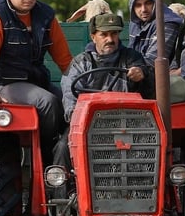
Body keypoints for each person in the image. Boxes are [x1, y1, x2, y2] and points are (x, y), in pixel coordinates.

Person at [0, 0, 73, 154]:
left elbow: (65, 59)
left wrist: (81, 92)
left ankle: (69, 151)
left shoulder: (46, 15)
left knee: (72, 104)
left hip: (36, 81)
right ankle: (48, 155)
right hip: (4, 84)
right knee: (48, 102)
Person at [53, 13, 154, 170]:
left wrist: (141, 74)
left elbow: (147, 84)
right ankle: (63, 189)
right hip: (88, 123)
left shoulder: (131, 58)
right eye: (104, 34)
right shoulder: (81, 62)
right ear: (93, 37)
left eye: (114, 34)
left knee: (150, 146)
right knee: (62, 148)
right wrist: (75, 117)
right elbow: (69, 92)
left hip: (126, 123)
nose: (110, 39)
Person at [127, 0, 184, 67]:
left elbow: (152, 62)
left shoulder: (167, 23)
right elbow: (128, 56)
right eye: (138, 5)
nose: (143, 9)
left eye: (148, 3)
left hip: (166, 77)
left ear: (156, 2)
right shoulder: (135, 23)